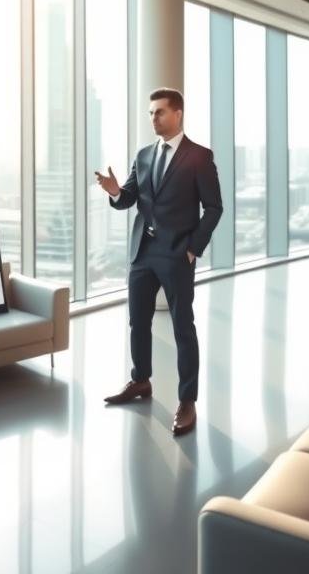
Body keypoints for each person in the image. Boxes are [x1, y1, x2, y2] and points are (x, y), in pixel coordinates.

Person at [94, 87, 223, 437]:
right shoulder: (144, 154)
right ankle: (140, 381)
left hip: (178, 253)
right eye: (151, 112)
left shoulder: (199, 156)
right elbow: (130, 200)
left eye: (160, 112)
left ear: (178, 114)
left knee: (183, 326)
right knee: (138, 321)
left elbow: (214, 208)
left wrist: (194, 247)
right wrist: (115, 191)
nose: (154, 118)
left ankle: (187, 401)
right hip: (143, 253)